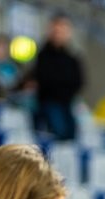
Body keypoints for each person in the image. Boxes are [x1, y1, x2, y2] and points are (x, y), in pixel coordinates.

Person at [32, 13, 84, 141]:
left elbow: (78, 81)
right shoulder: (43, 55)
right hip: (49, 102)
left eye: (63, 30)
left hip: (67, 103)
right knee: (58, 133)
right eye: (57, 29)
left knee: (71, 136)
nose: (59, 33)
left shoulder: (72, 58)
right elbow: (45, 79)